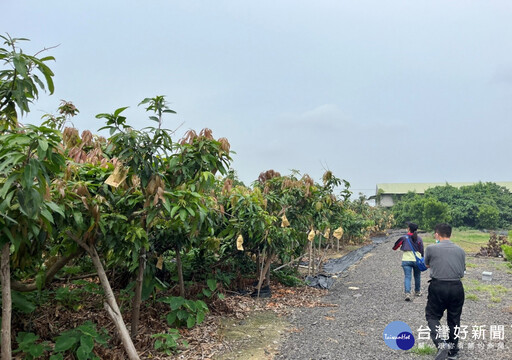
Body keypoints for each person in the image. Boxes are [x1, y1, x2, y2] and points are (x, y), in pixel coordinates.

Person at [424, 223, 466, 360]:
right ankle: (453, 352)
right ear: (450, 234)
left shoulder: (431, 248)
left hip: (438, 286)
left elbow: (427, 265)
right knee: (454, 319)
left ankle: (441, 343)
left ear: (437, 234)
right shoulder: (460, 250)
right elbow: (462, 271)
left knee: (432, 315)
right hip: (456, 286)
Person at [392, 222, 424, 301]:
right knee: (417, 276)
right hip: (417, 260)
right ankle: (417, 291)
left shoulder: (404, 238)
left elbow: (395, 247)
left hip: (406, 260)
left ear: (409, 229)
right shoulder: (419, 239)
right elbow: (422, 250)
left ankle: (407, 293)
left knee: (407, 277)